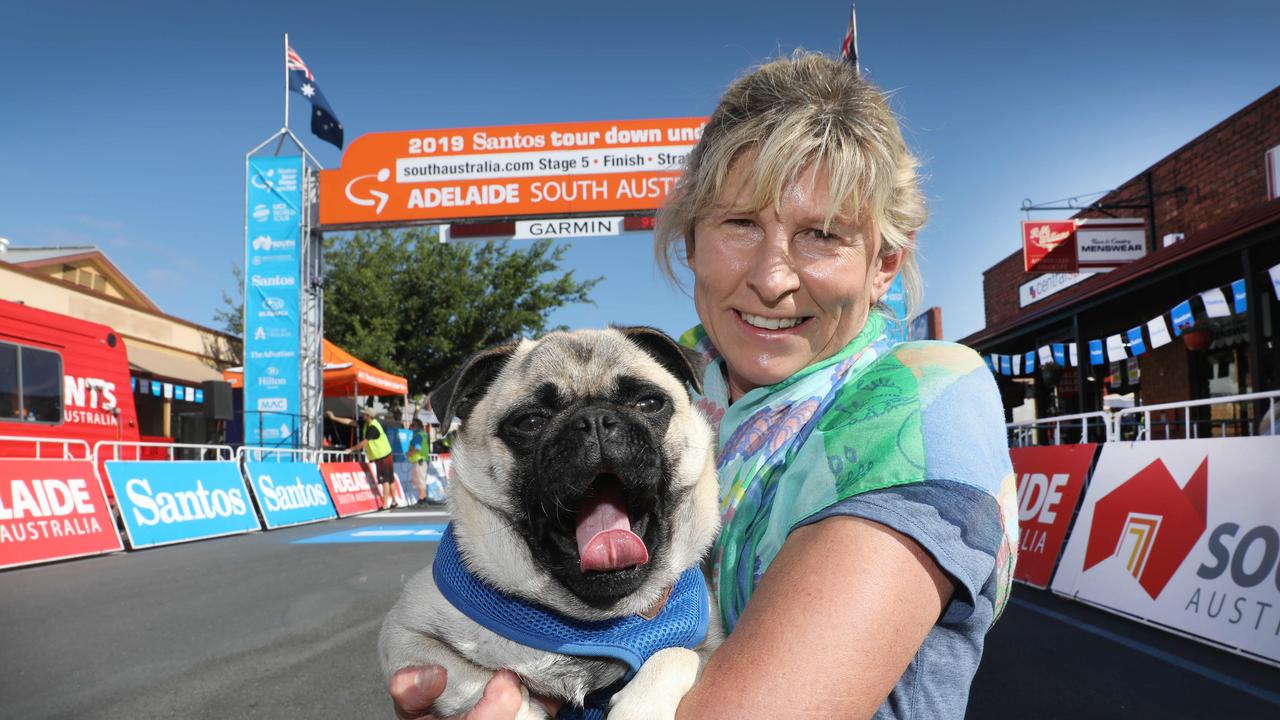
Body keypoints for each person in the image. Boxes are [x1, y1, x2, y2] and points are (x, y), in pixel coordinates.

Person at [390, 51, 1017, 719]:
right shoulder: (676, 377)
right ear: (691, 240)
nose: (773, 278)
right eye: (741, 224)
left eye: (822, 235)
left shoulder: (924, 398)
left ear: (885, 263)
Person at [328, 406, 399, 510]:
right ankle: (394, 501)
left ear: (369, 416)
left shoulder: (373, 427)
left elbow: (364, 443)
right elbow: (350, 422)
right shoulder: (366, 423)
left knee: (385, 480)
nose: (362, 415)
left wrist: (351, 449)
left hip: (382, 456)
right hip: (385, 454)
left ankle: (385, 504)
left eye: (364, 414)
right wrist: (334, 418)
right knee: (390, 479)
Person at [407, 418, 431, 506]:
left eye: (412, 425)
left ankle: (422, 499)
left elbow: (417, 447)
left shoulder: (418, 435)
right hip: (422, 460)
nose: (410, 427)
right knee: (421, 480)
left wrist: (410, 453)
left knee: (420, 480)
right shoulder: (423, 434)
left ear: (416, 426)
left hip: (419, 460)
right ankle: (422, 498)